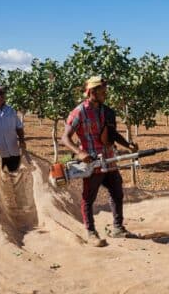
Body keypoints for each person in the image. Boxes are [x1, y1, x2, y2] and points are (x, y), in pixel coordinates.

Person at [61, 76, 139, 247]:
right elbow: (65, 138)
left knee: (117, 192)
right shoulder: (79, 112)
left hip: (110, 160)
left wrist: (128, 145)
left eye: (106, 91)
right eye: (102, 92)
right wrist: (80, 153)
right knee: (88, 198)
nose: (105, 95)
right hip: (92, 163)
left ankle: (118, 228)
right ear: (92, 92)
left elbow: (113, 134)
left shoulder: (107, 111)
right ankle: (91, 233)